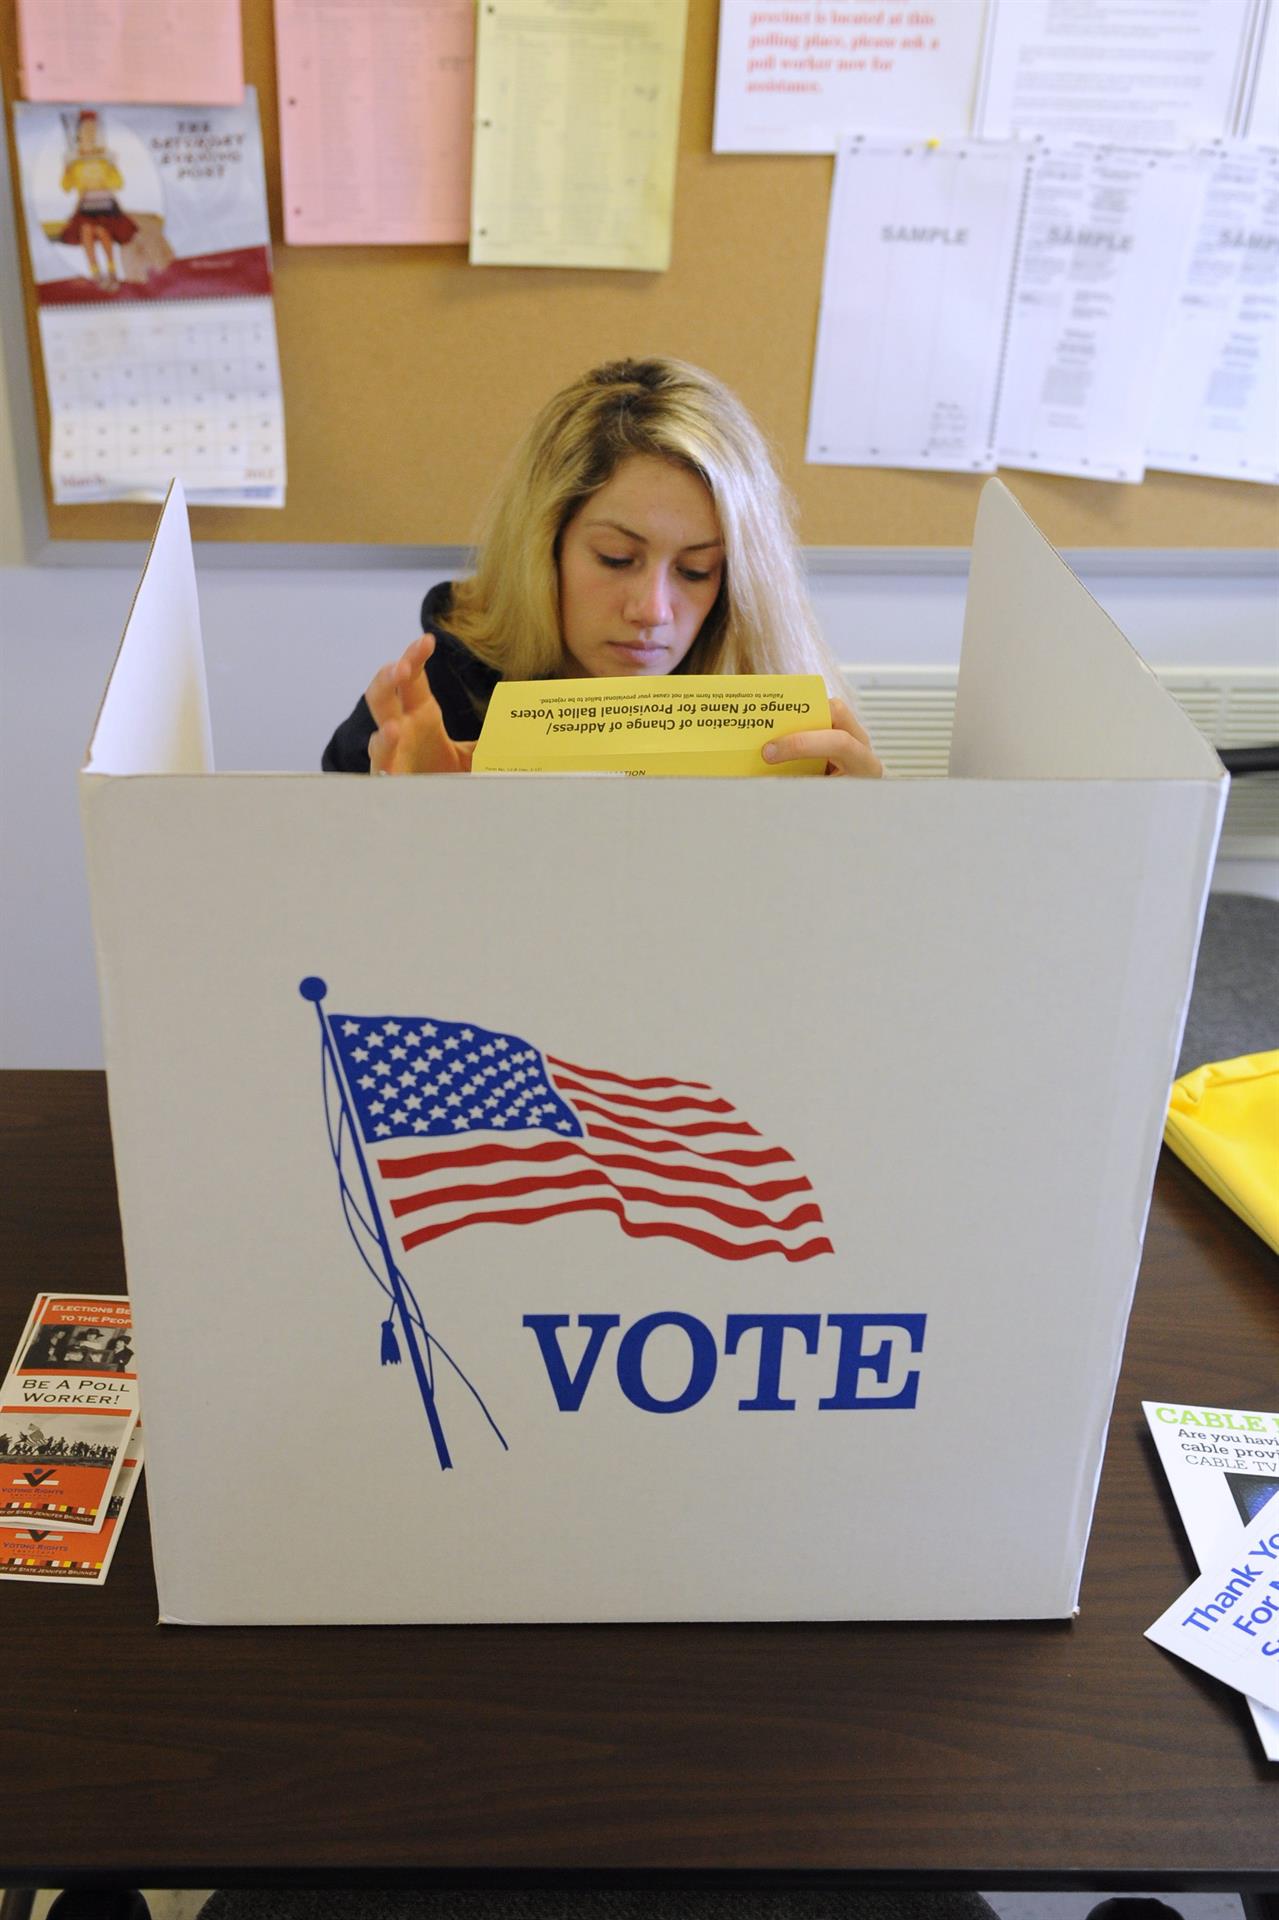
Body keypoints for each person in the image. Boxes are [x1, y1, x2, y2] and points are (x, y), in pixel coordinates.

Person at [322, 357, 881, 779]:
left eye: (696, 570)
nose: (652, 610)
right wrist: (400, 820)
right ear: (546, 547)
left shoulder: (782, 717)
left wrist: (862, 833)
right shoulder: (434, 702)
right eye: (616, 558)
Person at [58, 110, 137, 290]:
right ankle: (96, 273)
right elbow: (66, 187)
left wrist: (113, 165)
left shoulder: (104, 157)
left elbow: (117, 184)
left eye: (92, 131)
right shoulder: (75, 160)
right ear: (79, 134)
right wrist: (66, 167)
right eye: (86, 131)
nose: (89, 134)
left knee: (102, 231)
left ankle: (111, 270)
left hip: (105, 203)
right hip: (86, 204)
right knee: (86, 231)